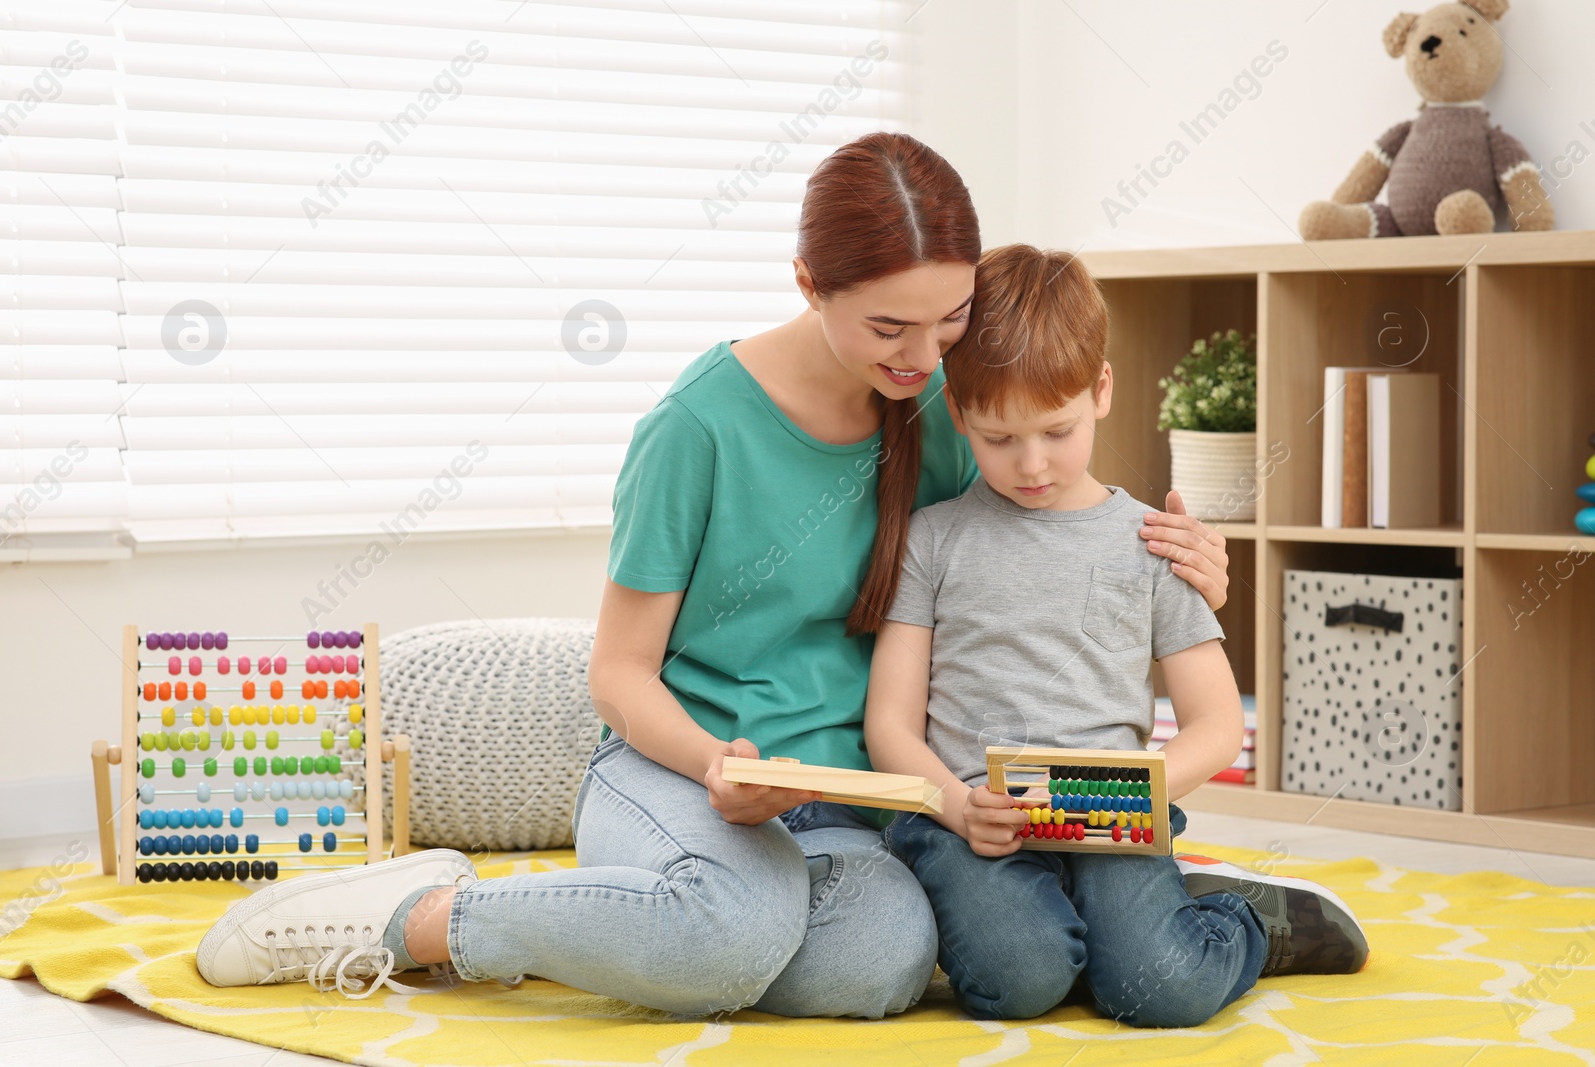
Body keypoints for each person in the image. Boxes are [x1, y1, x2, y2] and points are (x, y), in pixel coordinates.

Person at [195, 132, 1238, 1016]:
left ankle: (661, 917)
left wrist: (1186, 555)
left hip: (845, 800)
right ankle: (420, 916)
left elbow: (1041, 506)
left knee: (881, 962)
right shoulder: (695, 428)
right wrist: (710, 764)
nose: (925, 358)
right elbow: (619, 673)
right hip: (677, 771)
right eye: (889, 326)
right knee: (731, 934)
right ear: (806, 286)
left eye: (948, 320)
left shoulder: (938, 407)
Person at [865, 242, 1369, 1025]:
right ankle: (1099, 924)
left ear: (1101, 390)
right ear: (959, 414)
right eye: (999, 438)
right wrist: (957, 807)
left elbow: (1213, 723)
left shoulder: (1154, 542)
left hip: (1114, 814)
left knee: (1163, 990)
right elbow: (889, 724)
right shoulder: (933, 538)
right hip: (970, 819)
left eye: (1056, 431)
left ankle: (1245, 920)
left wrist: (1137, 792)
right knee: (1018, 984)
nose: (1032, 464)